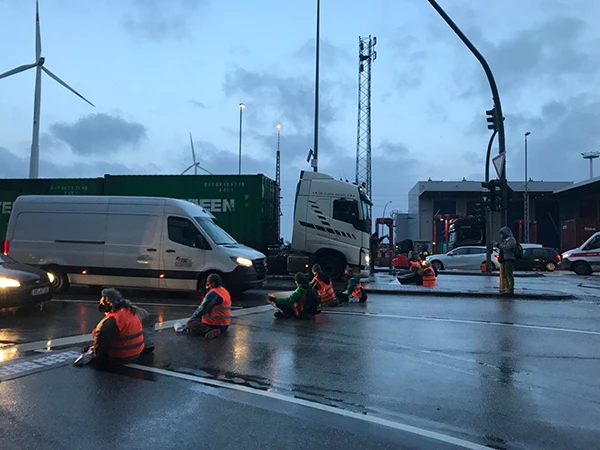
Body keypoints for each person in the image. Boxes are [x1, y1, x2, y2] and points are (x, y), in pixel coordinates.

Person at [77, 288, 145, 366]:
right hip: (136, 352)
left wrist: (96, 357)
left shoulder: (111, 321)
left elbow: (101, 344)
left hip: (121, 356)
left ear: (109, 305)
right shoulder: (130, 310)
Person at [182, 273, 231, 339]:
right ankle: (213, 331)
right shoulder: (224, 291)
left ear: (212, 283)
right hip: (225, 325)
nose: (207, 284)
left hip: (215, 324)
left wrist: (191, 320)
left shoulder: (213, 294)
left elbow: (201, 309)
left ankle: (210, 331)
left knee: (192, 324)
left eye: (208, 282)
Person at [493, 226, 517, 294]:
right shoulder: (505, 240)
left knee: (508, 274)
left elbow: (506, 248)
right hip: (504, 259)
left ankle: (510, 288)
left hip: (509, 259)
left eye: (502, 234)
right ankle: (506, 287)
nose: (501, 235)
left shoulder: (511, 240)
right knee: (504, 274)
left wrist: (497, 245)